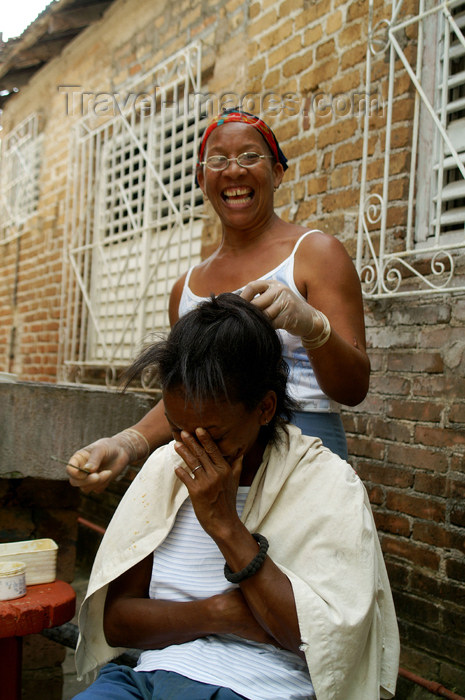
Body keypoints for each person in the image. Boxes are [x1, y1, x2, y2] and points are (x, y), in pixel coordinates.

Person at [73, 294, 399, 700]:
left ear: (265, 408)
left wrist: (225, 525)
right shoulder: (165, 469)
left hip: (259, 689)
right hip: (145, 680)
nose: (192, 448)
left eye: (215, 434)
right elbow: (117, 622)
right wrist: (221, 614)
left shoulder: (328, 487)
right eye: (177, 429)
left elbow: (323, 645)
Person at [67, 107, 370, 493]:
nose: (234, 170)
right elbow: (187, 396)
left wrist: (310, 325)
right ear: (201, 179)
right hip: (212, 465)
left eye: (249, 156)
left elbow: (354, 388)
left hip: (306, 455)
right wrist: (126, 443)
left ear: (276, 173)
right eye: (218, 160)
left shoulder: (316, 254)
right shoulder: (187, 288)